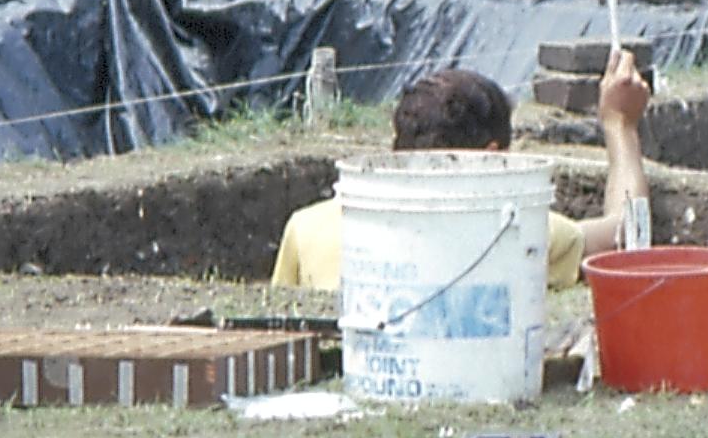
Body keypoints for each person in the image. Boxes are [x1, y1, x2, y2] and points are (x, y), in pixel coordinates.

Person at [271, 48, 651, 288]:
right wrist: (620, 124)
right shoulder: (519, 232)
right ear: (490, 155)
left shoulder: (305, 227)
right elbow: (627, 233)